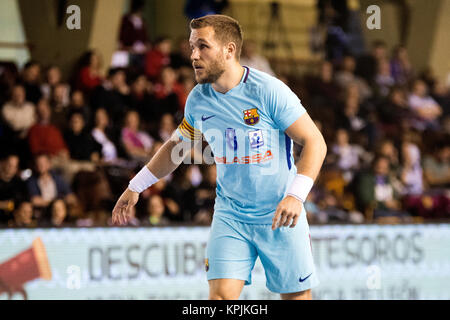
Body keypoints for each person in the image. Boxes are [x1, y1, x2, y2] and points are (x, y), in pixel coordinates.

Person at [111, 15, 327, 300]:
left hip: (280, 213)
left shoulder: (269, 91)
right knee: (221, 299)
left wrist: (296, 195)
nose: (193, 55)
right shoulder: (198, 99)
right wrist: (135, 186)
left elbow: (315, 142)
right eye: (191, 47)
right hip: (231, 215)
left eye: (203, 46)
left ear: (229, 50)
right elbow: (176, 149)